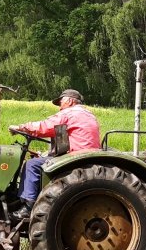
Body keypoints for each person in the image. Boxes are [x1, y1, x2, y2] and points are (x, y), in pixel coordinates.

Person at [8, 89, 100, 220]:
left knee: (31, 165)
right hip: (83, 153)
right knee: (39, 159)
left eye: (61, 102)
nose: (60, 107)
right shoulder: (88, 114)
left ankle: (27, 206)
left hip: (75, 155)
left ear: (70, 101)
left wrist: (22, 127)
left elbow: (45, 126)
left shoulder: (70, 113)